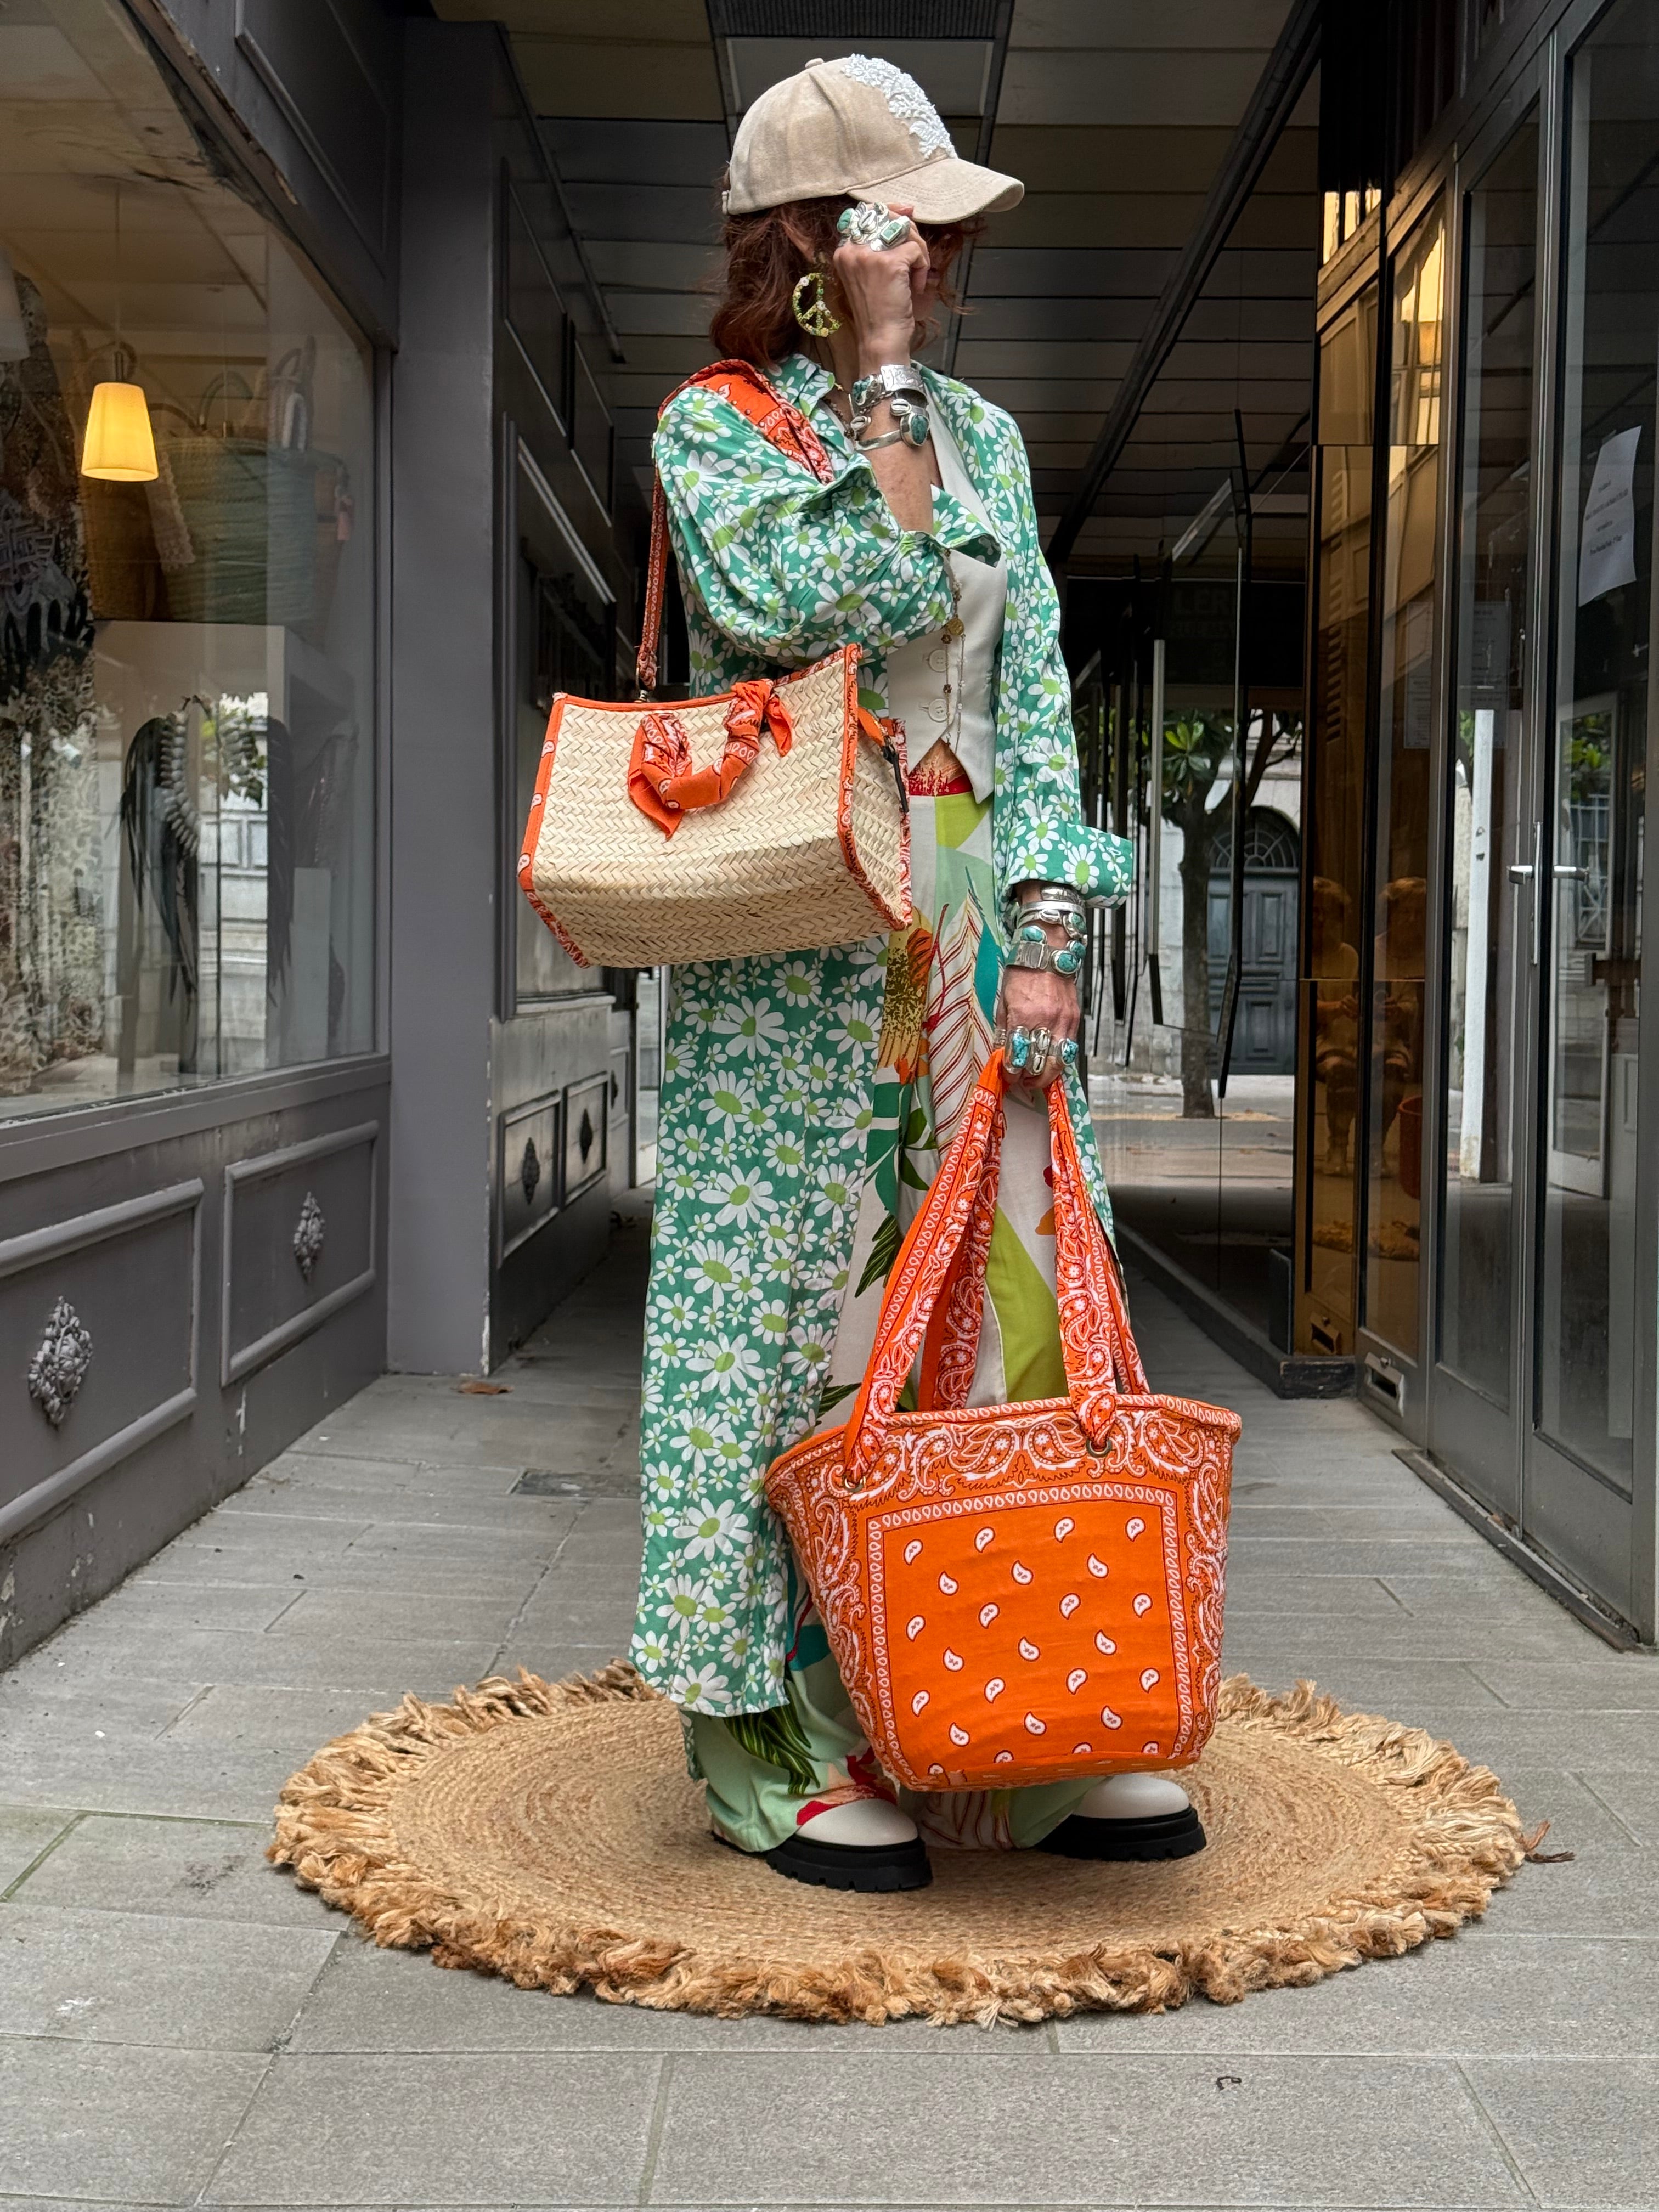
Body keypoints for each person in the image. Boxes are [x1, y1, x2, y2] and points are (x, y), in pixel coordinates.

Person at [630, 55, 1204, 1891]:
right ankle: (779, 1736)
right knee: (786, 1301)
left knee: (1010, 1284)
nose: (941, 267)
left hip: (960, 893)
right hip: (800, 906)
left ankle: (1031, 1714)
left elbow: (1027, 685)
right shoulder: (717, 428)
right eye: (907, 234)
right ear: (817, 244)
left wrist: (1045, 924)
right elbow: (830, 603)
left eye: (941, 241)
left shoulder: (993, 435)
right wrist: (876, 378)